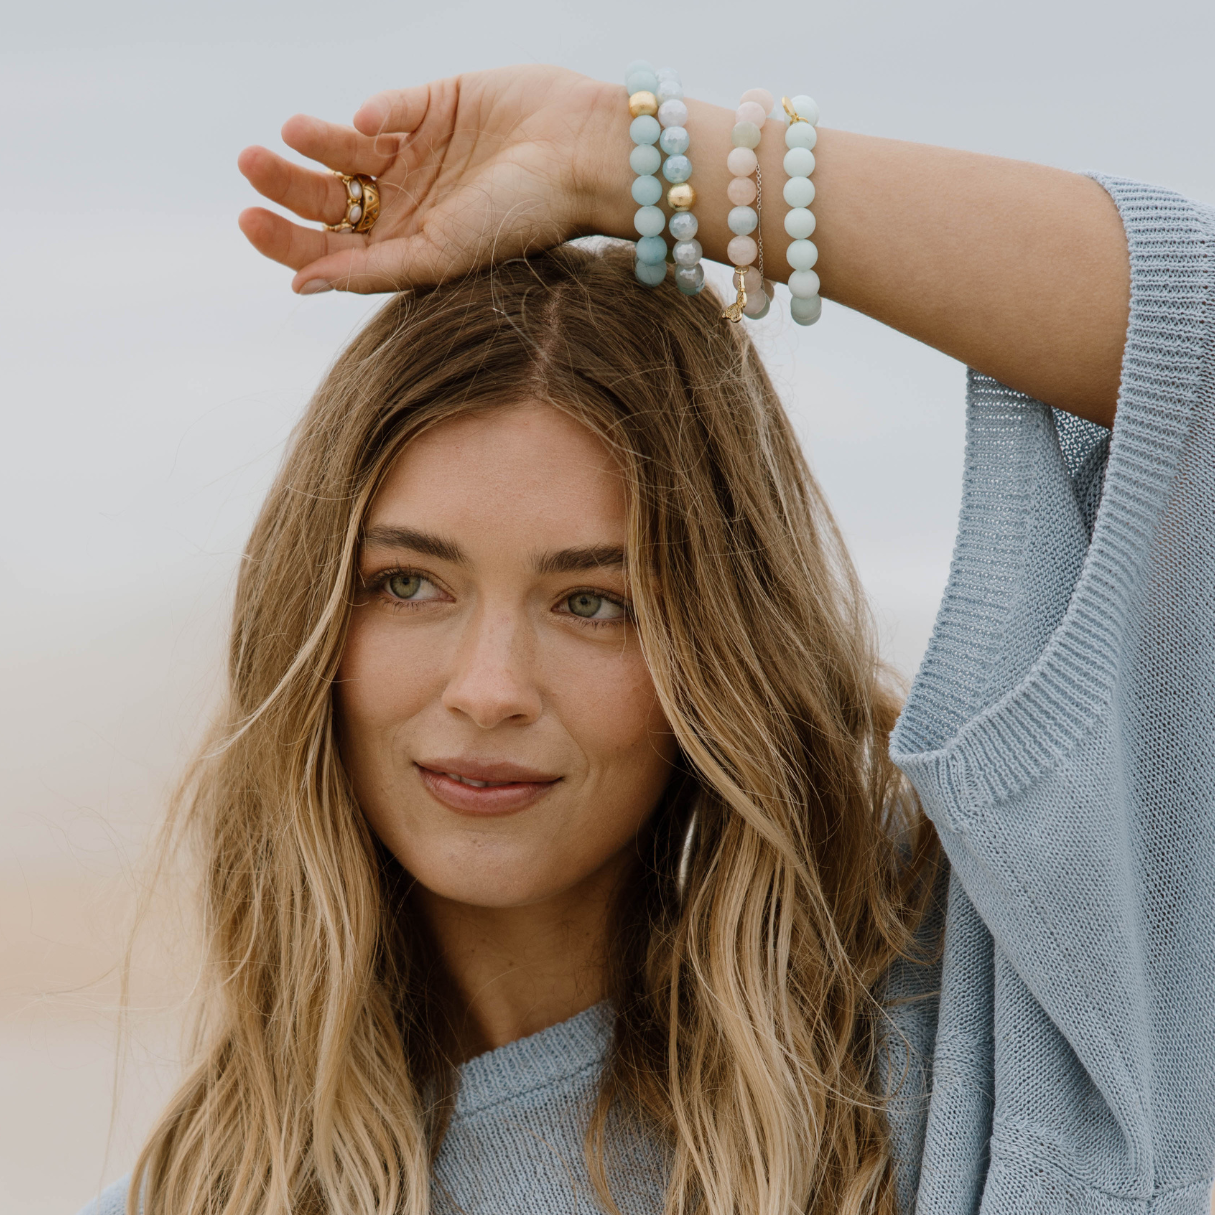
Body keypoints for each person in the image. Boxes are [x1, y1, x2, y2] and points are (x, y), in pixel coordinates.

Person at [81, 63, 1214, 1215]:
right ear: (309, 618)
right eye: (409, 584)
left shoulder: (966, 1032)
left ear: (711, 650)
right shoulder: (201, 1198)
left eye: (594, 603)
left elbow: (1194, 333)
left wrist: (611, 157)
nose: (488, 689)